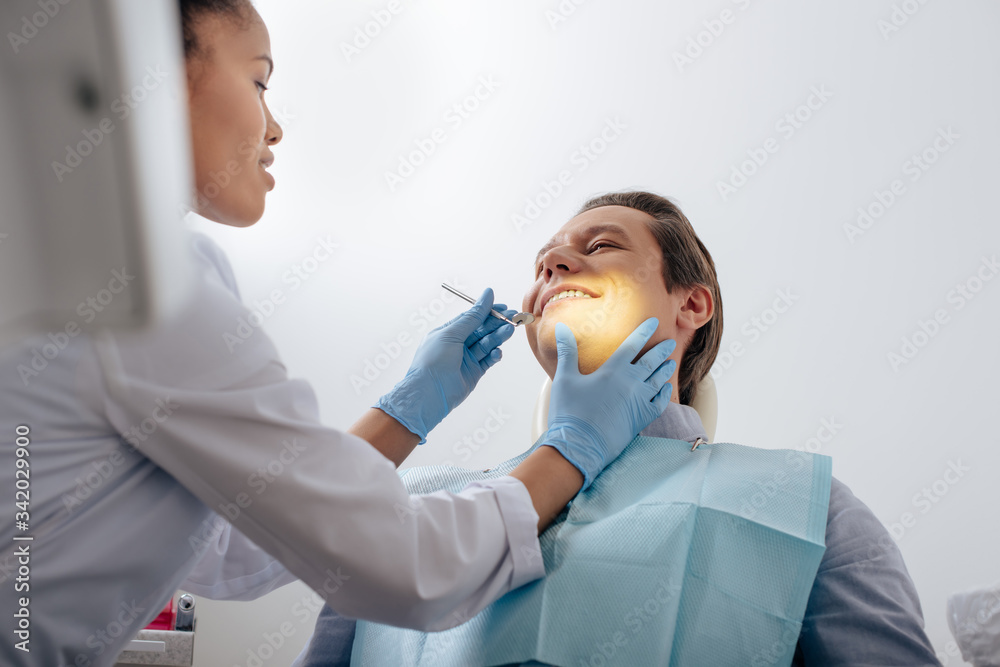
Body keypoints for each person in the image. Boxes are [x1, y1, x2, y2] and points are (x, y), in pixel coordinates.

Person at [0, 4, 678, 665]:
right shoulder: (140, 278)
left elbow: (233, 540)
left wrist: (406, 410)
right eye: (259, 81)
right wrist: (573, 446)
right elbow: (401, 563)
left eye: (603, 246)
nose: (276, 128)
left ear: (693, 305)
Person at [295, 191, 943, 666]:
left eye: (599, 245)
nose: (552, 263)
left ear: (692, 303)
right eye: (545, 263)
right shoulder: (411, 498)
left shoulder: (806, 504)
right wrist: (405, 407)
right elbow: (282, 522)